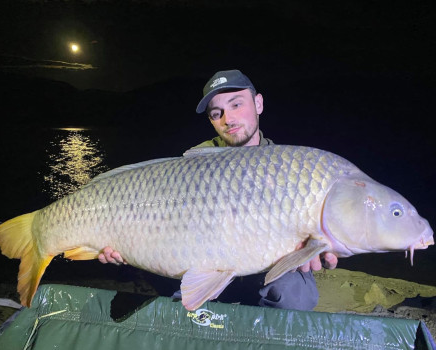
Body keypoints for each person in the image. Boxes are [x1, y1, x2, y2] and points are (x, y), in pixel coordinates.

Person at [98, 69, 338, 310]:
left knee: (297, 295)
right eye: (217, 113)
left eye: (236, 104)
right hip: (205, 262)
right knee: (166, 281)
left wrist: (313, 249)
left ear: (258, 103)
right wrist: (122, 243)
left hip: (261, 270)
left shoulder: (287, 168)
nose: (228, 119)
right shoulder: (196, 162)